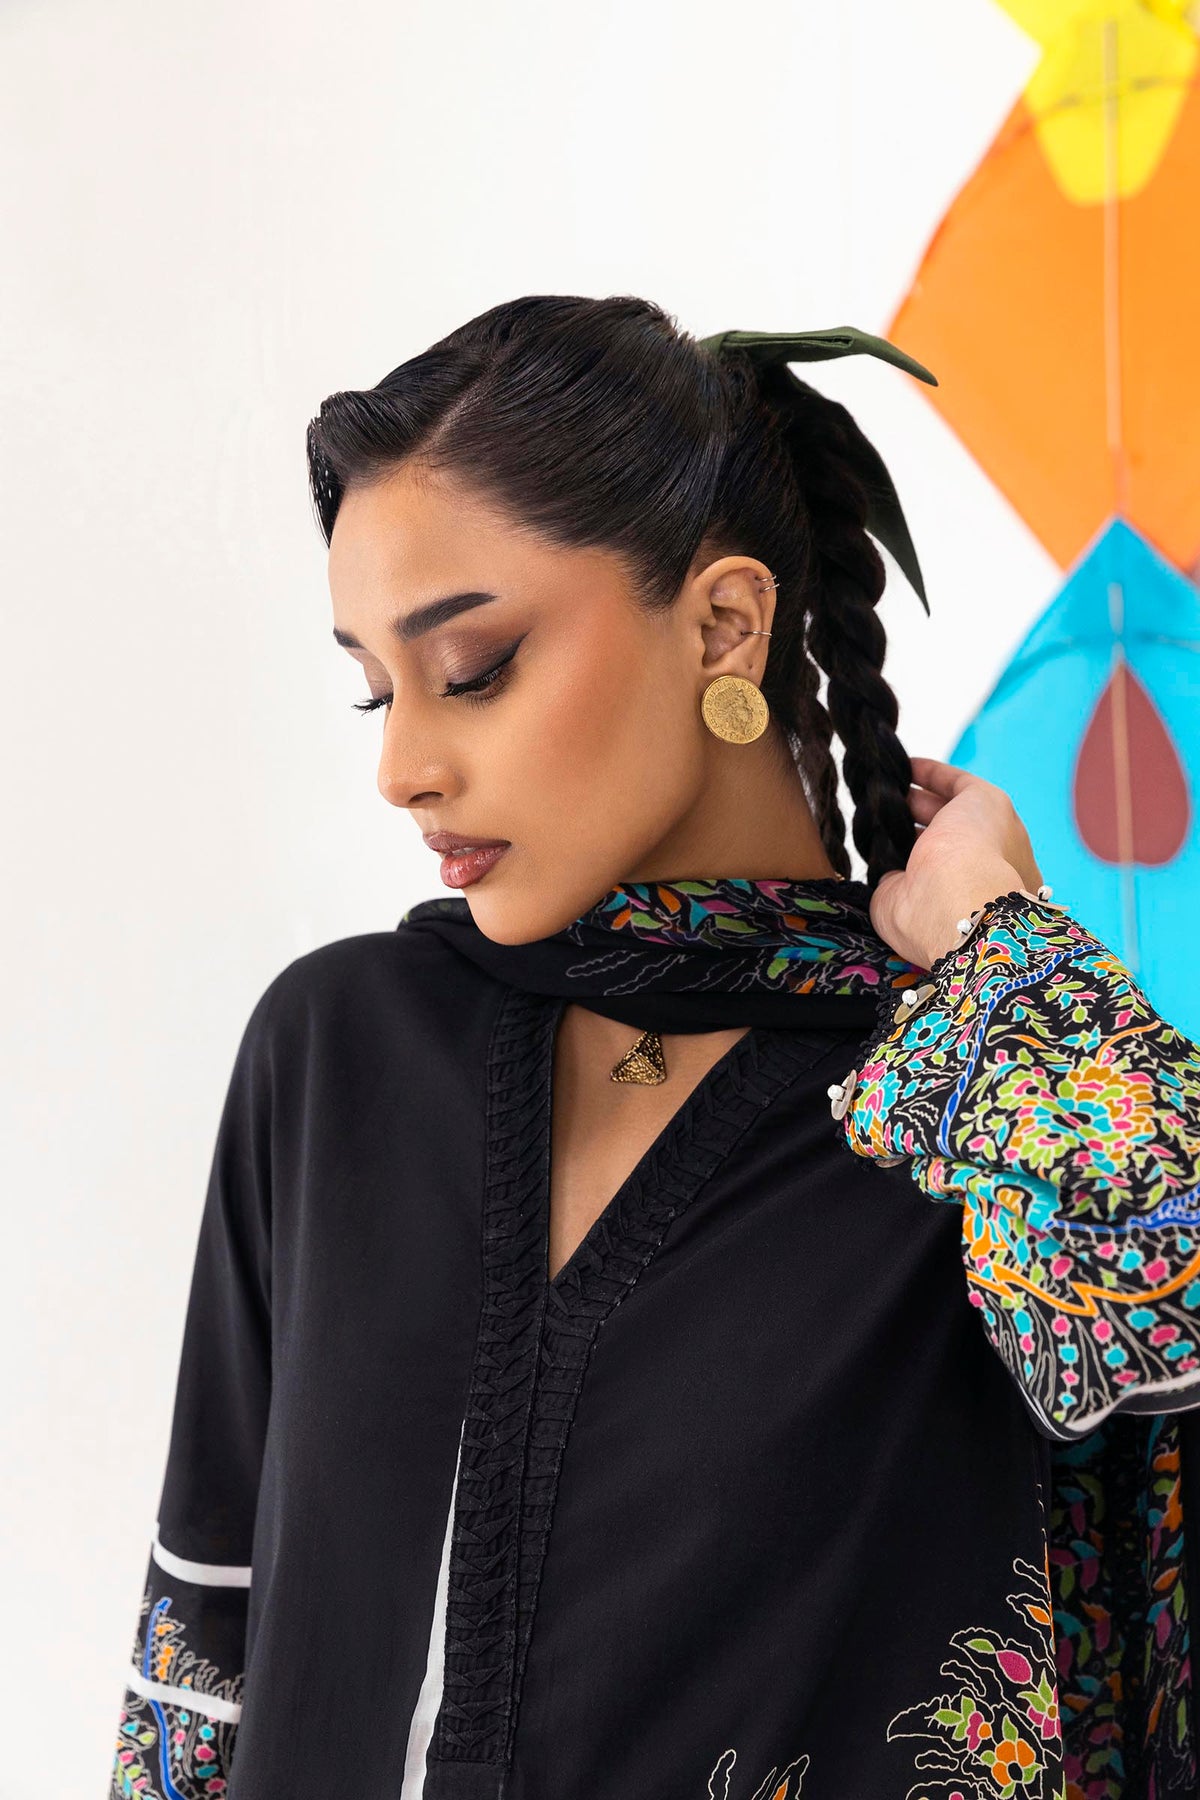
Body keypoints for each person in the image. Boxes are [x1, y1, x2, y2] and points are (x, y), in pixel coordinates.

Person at [109, 295, 1200, 1800]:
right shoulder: (341, 1055)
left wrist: (999, 948)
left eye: (471, 667)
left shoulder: (974, 1097)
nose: (401, 764)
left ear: (724, 625)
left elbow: (1164, 1282)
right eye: (374, 686)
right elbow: (197, 1677)